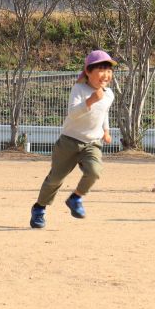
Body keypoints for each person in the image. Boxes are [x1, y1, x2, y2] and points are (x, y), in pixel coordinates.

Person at [29, 50, 115, 229]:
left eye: (108, 69)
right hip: (69, 141)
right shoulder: (79, 89)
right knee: (55, 179)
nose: (106, 74)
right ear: (88, 72)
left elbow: (104, 113)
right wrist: (90, 100)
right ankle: (39, 209)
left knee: (94, 171)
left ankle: (75, 198)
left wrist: (106, 131)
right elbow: (73, 113)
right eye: (101, 69)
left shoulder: (109, 94)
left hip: (92, 142)